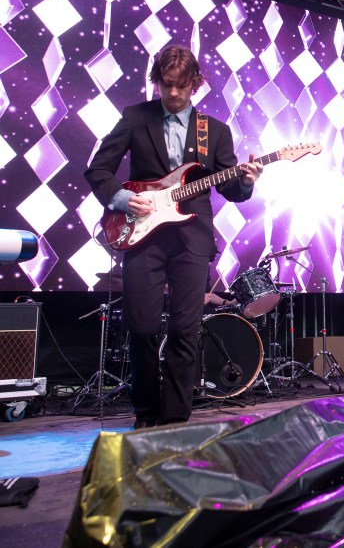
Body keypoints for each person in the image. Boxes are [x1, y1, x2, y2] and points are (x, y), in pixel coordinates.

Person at [85, 45, 262, 428]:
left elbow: (231, 189)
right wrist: (123, 199)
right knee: (143, 327)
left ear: (195, 84)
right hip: (143, 237)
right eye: (167, 85)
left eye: (182, 86)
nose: (174, 94)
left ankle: (175, 418)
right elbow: (99, 170)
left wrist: (245, 182)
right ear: (156, 82)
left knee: (186, 330)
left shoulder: (214, 131)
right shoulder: (135, 118)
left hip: (192, 240)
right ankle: (146, 413)